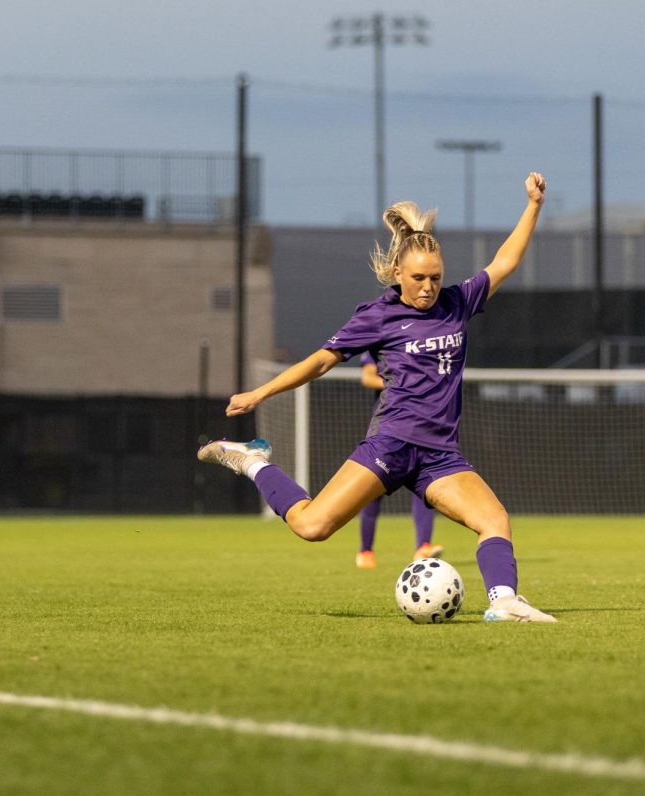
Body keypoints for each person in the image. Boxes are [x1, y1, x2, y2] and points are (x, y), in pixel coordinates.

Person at [199, 171, 556, 622]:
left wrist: (533, 206)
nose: (428, 287)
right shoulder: (377, 316)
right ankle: (251, 461)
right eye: (419, 278)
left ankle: (504, 602)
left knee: (495, 520)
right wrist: (261, 392)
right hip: (391, 445)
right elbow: (321, 361)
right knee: (312, 526)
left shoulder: (457, 302)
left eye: (435, 277)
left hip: (440, 457)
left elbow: (505, 261)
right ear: (397, 274)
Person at [354, 351, 441, 569]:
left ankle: (423, 546)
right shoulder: (381, 339)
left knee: (426, 490)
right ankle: (366, 551)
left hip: (419, 431)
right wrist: (403, 388)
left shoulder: (422, 344)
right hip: (387, 432)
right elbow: (367, 377)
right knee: (371, 491)